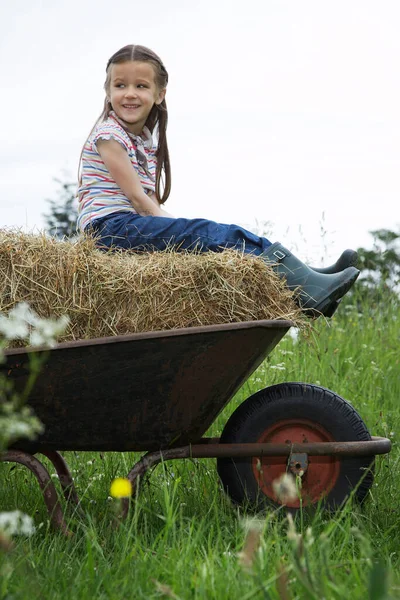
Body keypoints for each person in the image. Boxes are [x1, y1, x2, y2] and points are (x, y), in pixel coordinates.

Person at [77, 44, 359, 318]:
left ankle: (303, 277)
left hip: (128, 226)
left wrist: (182, 229)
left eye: (140, 86)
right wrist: (186, 232)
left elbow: (151, 203)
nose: (129, 94)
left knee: (210, 234)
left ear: (160, 94)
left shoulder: (142, 140)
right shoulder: (109, 136)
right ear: (107, 90)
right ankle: (305, 284)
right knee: (209, 235)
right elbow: (139, 200)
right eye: (120, 85)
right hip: (109, 228)